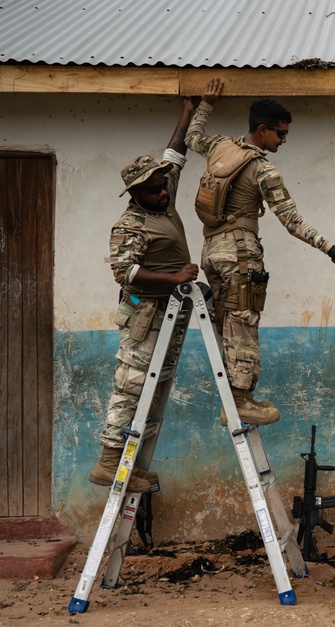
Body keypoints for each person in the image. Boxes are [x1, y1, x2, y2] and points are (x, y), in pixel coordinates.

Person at [185, 79, 335, 425]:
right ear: (262, 130)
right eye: (280, 134)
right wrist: (331, 249)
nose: (283, 140)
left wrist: (204, 105)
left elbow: (192, 136)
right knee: (244, 324)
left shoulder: (219, 146)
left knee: (227, 325)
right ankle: (239, 400)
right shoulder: (262, 169)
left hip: (211, 252)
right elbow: (291, 220)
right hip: (240, 255)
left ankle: (233, 399)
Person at [88, 97, 201, 492]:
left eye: (163, 185)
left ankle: (129, 465)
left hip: (172, 313)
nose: (164, 192)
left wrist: (189, 112)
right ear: (137, 192)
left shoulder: (163, 195)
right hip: (145, 315)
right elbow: (126, 272)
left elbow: (176, 151)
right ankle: (107, 463)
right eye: (155, 190)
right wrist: (173, 278)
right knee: (132, 386)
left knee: (156, 387)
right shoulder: (131, 223)